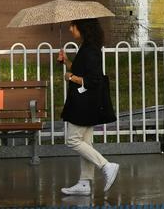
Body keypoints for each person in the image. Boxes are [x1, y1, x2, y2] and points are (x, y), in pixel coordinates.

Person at [57, 18, 119, 195]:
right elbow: (81, 70)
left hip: (84, 104)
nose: (70, 29)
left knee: (73, 140)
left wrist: (70, 77)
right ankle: (84, 183)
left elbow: (93, 79)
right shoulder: (86, 48)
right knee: (85, 143)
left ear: (82, 28)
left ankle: (106, 166)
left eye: (73, 25)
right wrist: (67, 62)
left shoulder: (90, 51)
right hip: (86, 102)